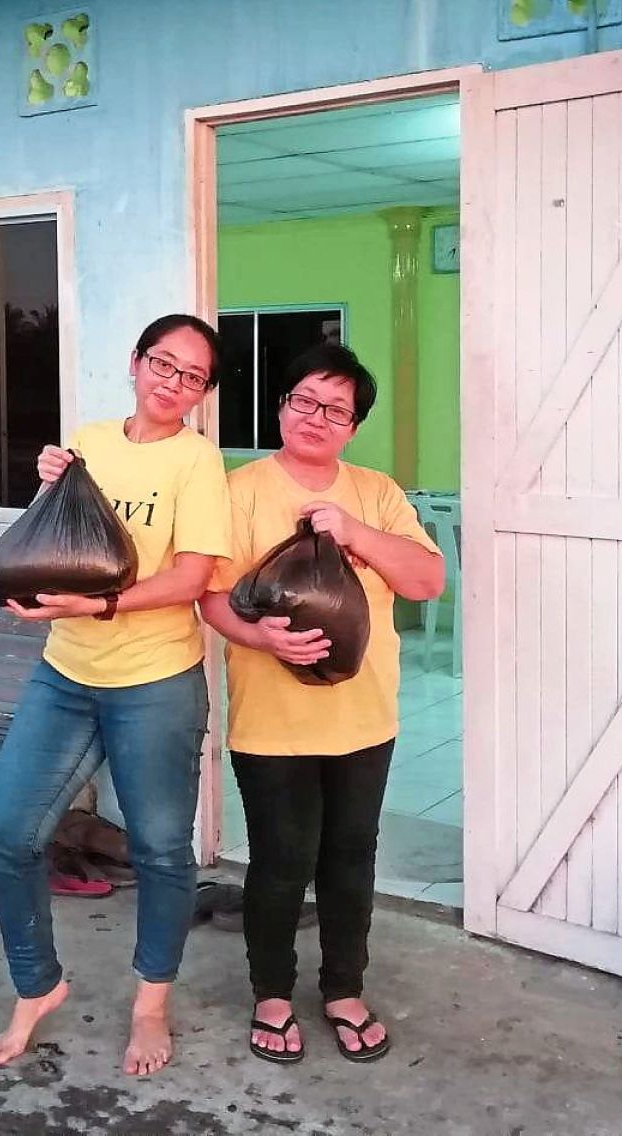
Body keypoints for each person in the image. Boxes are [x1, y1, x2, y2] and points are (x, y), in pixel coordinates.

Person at [0, 313, 232, 1077]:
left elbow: (194, 577)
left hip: (155, 681)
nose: (173, 382)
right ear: (135, 362)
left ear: (203, 392)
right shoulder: (90, 436)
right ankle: (37, 987)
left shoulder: (198, 462)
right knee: (5, 830)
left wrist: (99, 605)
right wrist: (50, 482)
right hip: (66, 674)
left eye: (192, 376)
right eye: (163, 363)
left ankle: (151, 1002)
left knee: (158, 848)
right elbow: (63, 536)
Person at [201, 343, 445, 1065]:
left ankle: (343, 987)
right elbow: (212, 596)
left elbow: (427, 579)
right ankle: (272, 994)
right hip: (272, 721)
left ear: (353, 426)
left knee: (351, 857)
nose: (317, 417)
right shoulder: (238, 491)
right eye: (305, 400)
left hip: (365, 718)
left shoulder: (377, 491)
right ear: (282, 407)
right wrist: (259, 636)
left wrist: (355, 531)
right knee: (280, 859)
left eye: (336, 409)